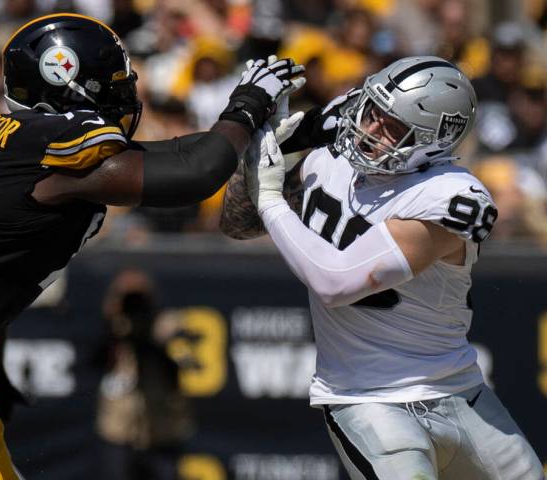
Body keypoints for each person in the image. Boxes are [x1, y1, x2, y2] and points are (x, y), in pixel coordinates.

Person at [0, 13, 303, 480]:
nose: (125, 93)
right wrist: (245, 105)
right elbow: (195, 172)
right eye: (113, 81)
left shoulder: (37, 145)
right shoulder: (51, 144)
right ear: (70, 79)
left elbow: (183, 153)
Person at [220, 56, 544, 479]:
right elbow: (237, 223)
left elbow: (335, 282)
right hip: (365, 397)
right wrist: (266, 154)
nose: (369, 131)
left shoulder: (447, 195)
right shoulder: (331, 157)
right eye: (372, 111)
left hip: (460, 390)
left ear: (434, 140)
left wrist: (270, 199)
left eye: (392, 126)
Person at [96, 269, 193, 480]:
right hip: (119, 430)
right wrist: (113, 324)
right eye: (128, 299)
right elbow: (93, 360)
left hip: (162, 430)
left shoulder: (166, 326)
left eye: (139, 298)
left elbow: (187, 364)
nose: (135, 306)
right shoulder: (114, 328)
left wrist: (158, 339)